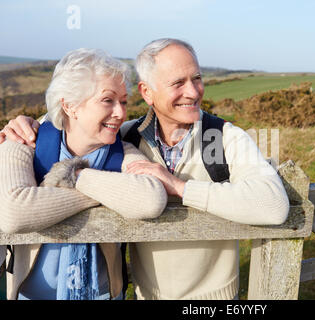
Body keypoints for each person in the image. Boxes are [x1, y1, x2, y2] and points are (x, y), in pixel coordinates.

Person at [0, 38, 290, 300]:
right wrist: (25, 123)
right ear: (147, 92)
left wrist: (179, 188)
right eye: (178, 83)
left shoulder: (224, 137)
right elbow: (75, 128)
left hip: (212, 300)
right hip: (143, 295)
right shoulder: (127, 135)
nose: (193, 91)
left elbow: (273, 205)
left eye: (197, 78)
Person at [0, 48, 168, 300]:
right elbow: (13, 213)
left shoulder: (122, 151)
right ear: (69, 106)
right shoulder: (23, 142)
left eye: (123, 101)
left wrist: (77, 177)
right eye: (107, 100)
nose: (120, 113)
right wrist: (107, 194)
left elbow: (151, 199)